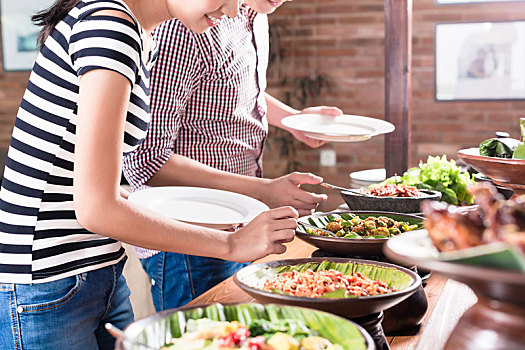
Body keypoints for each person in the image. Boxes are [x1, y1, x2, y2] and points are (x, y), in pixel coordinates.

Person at [0, 0, 300, 348]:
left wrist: (194, 215)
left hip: (95, 270)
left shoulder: (135, 31)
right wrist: (231, 244)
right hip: (49, 283)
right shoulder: (110, 29)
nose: (234, 10)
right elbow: (95, 208)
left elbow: (81, 180)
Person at [123, 0, 341, 311]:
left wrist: (293, 120)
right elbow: (147, 160)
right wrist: (266, 190)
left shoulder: (255, 14)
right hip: (189, 238)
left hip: (240, 225)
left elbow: (226, 85)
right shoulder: (185, 26)